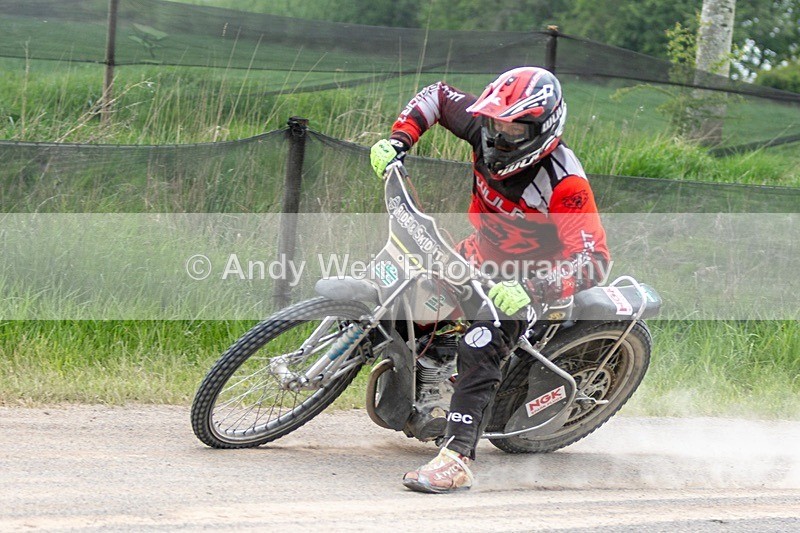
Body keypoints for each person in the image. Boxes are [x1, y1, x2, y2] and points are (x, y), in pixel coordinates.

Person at [370, 66, 611, 493]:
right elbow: (438, 95)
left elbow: (594, 260)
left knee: (479, 344)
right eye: (494, 123)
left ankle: (457, 457)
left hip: (532, 281)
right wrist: (399, 138)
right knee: (409, 298)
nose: (498, 138)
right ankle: (429, 377)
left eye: (513, 131)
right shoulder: (484, 126)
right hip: (480, 253)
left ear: (542, 129)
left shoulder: (565, 183)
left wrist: (533, 287)